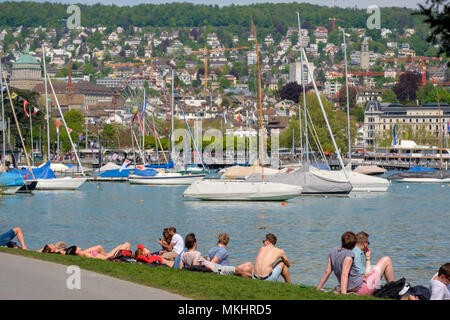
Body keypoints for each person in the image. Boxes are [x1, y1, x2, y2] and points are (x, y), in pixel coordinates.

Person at [316, 231, 395, 296]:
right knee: (386, 259)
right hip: (362, 289)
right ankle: (393, 290)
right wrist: (344, 294)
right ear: (354, 244)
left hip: (352, 287)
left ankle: (391, 289)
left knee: (373, 268)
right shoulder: (350, 255)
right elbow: (345, 275)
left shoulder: (333, 251)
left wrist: (318, 288)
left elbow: (327, 272)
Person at [179, 233, 252, 278]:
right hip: (215, 268)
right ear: (195, 243)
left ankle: (253, 277)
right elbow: (195, 268)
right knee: (238, 271)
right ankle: (254, 279)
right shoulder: (197, 253)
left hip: (213, 267)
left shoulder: (183, 254)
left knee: (241, 269)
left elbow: (181, 268)